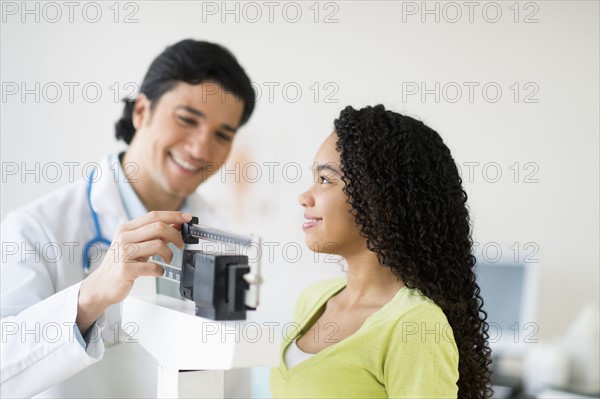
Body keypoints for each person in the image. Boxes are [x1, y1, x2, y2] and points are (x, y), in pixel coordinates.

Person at [0, 39, 255, 398]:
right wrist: (90, 298)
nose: (200, 148)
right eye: (186, 119)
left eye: (221, 135)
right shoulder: (36, 229)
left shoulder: (221, 238)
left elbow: (232, 376)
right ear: (141, 112)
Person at [270, 105, 493, 398]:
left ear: (379, 202)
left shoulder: (414, 325)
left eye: (325, 180)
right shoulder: (314, 299)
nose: (305, 196)